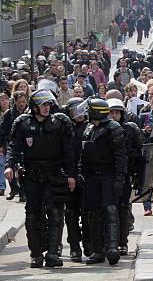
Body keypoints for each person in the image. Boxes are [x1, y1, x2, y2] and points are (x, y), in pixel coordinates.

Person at [5, 90, 75, 268]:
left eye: (48, 105)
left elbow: (68, 152)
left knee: (55, 213)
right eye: (42, 105)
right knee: (32, 215)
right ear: (34, 107)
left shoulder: (59, 123)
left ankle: (52, 253)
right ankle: (36, 253)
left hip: (54, 173)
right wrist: (9, 165)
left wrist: (71, 174)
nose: (46, 108)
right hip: (32, 175)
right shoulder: (22, 123)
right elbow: (14, 147)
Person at [80, 99, 128, 265]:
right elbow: (83, 154)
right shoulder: (90, 128)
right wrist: (81, 173)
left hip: (108, 174)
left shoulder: (113, 128)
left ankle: (113, 247)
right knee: (93, 213)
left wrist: (119, 179)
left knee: (110, 210)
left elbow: (121, 156)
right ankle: (97, 250)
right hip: (92, 177)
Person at [107, 98, 145, 256]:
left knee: (123, 210)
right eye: (111, 112)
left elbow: (140, 154)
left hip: (124, 175)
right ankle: (109, 243)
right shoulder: (100, 129)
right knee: (108, 210)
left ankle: (122, 242)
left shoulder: (130, 129)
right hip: (107, 175)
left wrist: (138, 177)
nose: (114, 115)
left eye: (117, 112)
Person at [63, 98, 90, 262]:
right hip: (69, 175)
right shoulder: (65, 130)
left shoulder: (91, 127)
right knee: (70, 212)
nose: (79, 114)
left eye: (82, 110)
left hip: (87, 175)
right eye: (75, 111)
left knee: (88, 212)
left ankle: (89, 243)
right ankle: (74, 246)